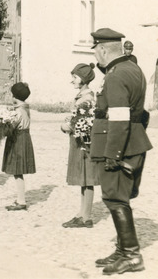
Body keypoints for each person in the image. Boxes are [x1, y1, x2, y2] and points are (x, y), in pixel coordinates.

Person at [89, 28, 151, 274]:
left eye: (96, 50)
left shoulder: (115, 76)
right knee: (120, 197)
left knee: (115, 198)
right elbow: (140, 114)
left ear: (103, 49)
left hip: (118, 146)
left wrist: (113, 155)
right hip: (134, 141)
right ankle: (122, 249)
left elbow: (118, 118)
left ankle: (131, 255)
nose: (96, 55)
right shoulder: (134, 69)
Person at [61, 63, 98, 228]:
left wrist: (67, 126)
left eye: (75, 77)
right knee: (83, 178)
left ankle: (87, 217)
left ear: (83, 79)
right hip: (79, 141)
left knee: (87, 177)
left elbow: (83, 122)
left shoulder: (86, 98)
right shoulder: (82, 96)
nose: (72, 81)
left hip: (85, 143)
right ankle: (81, 213)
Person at [2, 82, 36, 211]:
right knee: (18, 171)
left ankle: (21, 200)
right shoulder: (26, 108)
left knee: (17, 171)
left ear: (14, 96)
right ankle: (20, 199)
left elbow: (11, 128)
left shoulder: (18, 112)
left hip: (18, 140)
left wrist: (3, 125)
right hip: (25, 138)